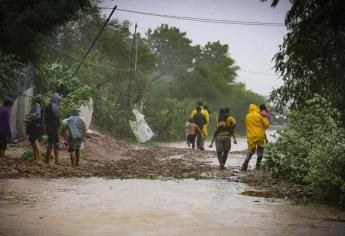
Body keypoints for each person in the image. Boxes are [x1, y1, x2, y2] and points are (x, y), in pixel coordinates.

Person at [241, 104, 270, 171]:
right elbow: (266, 125)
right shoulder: (260, 115)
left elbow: (247, 126)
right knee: (260, 151)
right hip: (260, 135)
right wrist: (265, 117)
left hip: (251, 136)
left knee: (251, 151)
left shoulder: (247, 116)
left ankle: (245, 165)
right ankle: (257, 167)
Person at [44, 93, 62, 164]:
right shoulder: (54, 106)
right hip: (53, 128)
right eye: (58, 100)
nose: (59, 101)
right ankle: (48, 161)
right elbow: (58, 115)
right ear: (56, 99)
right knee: (51, 144)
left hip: (50, 127)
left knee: (56, 144)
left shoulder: (48, 106)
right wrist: (60, 108)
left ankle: (56, 161)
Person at [27, 97, 43, 162]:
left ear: (36, 100)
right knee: (33, 141)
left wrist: (29, 117)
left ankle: (39, 159)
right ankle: (36, 158)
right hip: (35, 123)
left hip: (35, 124)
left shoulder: (37, 105)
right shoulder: (38, 105)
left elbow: (36, 113)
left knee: (35, 141)